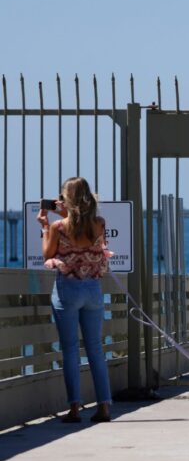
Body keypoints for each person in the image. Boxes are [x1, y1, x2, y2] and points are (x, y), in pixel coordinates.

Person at [38, 177, 112, 423]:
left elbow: (47, 253)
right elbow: (97, 247)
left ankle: (74, 409)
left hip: (67, 289)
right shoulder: (99, 224)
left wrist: (45, 226)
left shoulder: (60, 227)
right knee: (95, 349)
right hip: (92, 288)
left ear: (67, 198)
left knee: (70, 350)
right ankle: (103, 407)